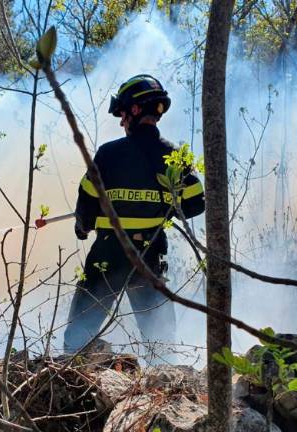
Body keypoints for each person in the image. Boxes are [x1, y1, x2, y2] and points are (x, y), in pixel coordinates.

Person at [63, 75, 205, 359]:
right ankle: (165, 393)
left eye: (123, 113)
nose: (121, 121)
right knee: (161, 343)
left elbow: (86, 204)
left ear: (136, 110)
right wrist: (167, 205)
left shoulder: (108, 154)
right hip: (150, 255)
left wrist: (82, 226)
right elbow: (196, 204)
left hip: (109, 254)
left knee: (78, 336)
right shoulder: (174, 156)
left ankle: (70, 386)